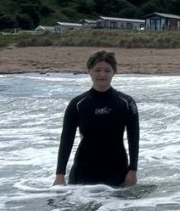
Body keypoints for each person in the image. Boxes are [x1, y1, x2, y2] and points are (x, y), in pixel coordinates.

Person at [54, 50, 139, 187]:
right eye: (97, 70)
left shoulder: (126, 102)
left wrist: (133, 170)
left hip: (117, 172)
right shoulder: (77, 104)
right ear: (89, 71)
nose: (102, 75)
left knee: (119, 208)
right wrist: (60, 175)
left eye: (107, 70)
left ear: (114, 72)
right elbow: (66, 139)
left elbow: (134, 137)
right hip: (83, 173)